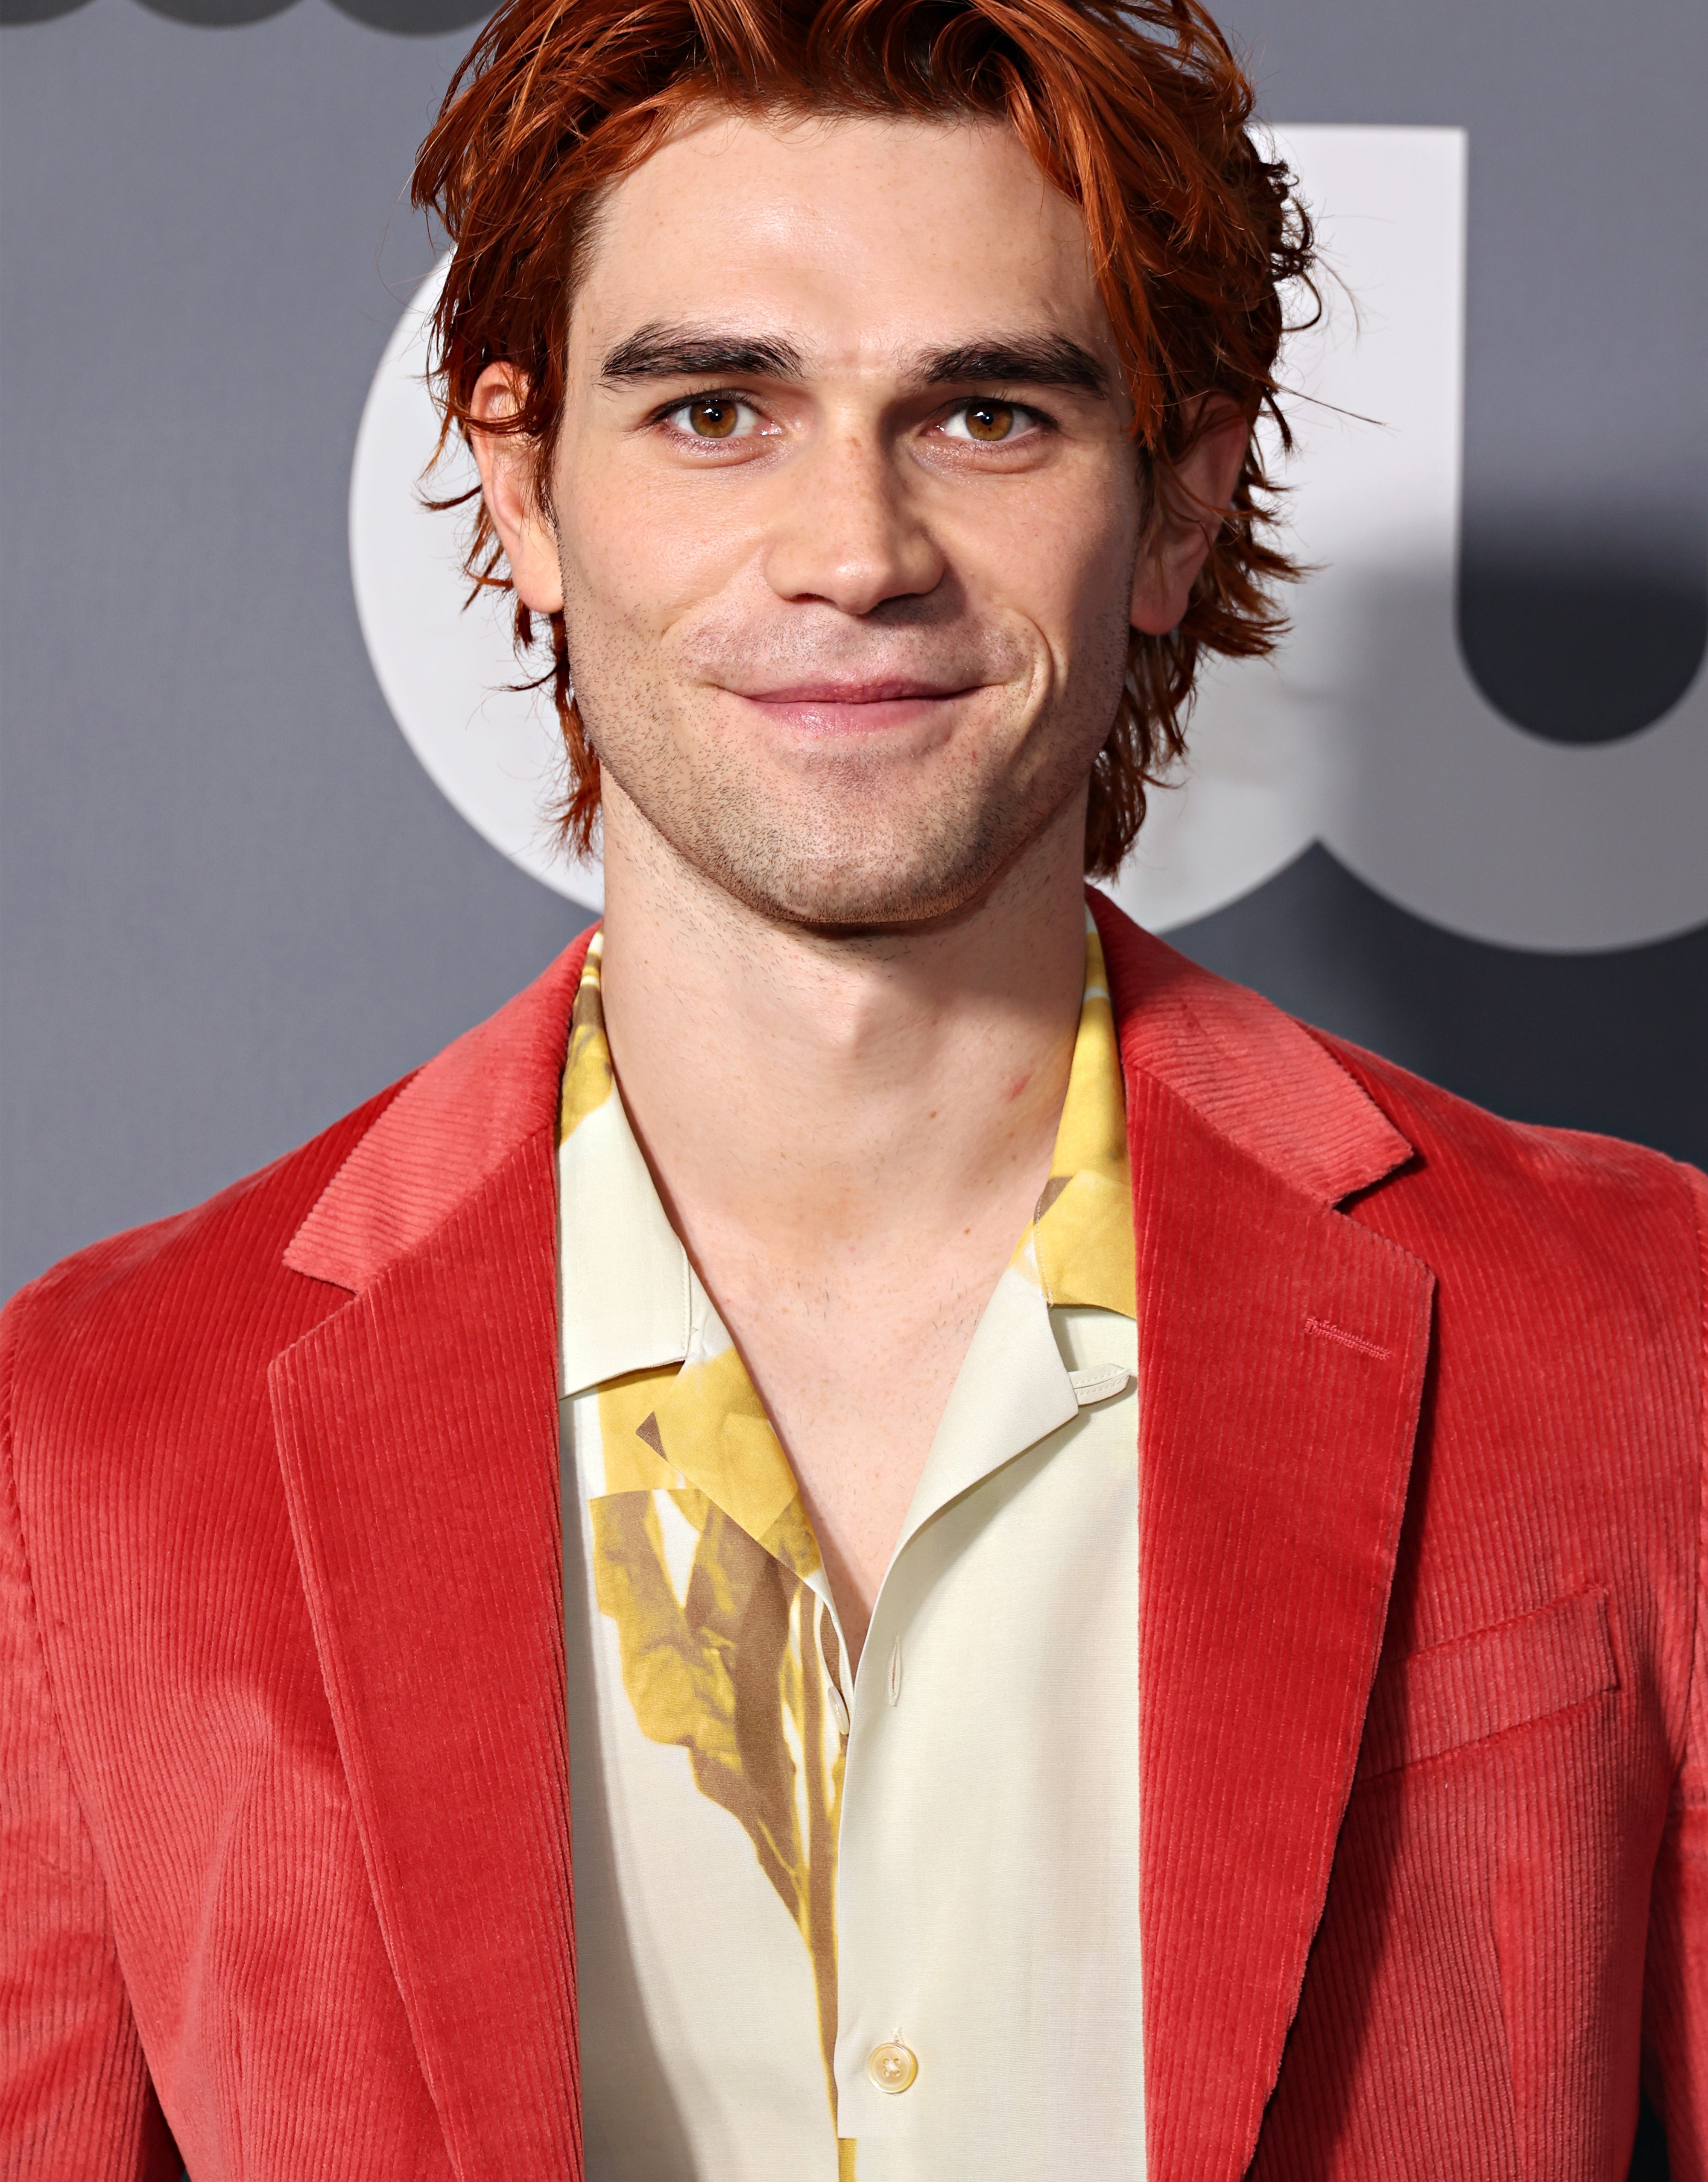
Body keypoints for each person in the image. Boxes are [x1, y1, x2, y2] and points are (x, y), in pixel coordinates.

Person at [2, 0, 1702, 2171]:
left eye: (984, 414)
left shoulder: (1644, 1327)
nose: (855, 549)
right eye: (717, 409)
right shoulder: (101, 1432)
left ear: (1175, 508)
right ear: (522, 490)